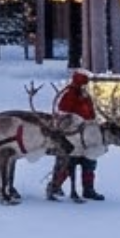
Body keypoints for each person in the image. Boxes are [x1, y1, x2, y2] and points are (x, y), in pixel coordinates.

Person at [50, 71, 104, 202]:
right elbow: (63, 112)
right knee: (67, 163)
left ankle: (88, 189)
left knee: (89, 161)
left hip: (87, 136)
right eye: (83, 85)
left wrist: (93, 124)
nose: (85, 87)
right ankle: (55, 186)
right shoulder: (69, 96)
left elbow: (91, 114)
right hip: (71, 136)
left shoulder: (86, 97)